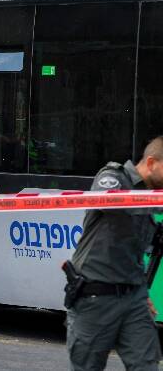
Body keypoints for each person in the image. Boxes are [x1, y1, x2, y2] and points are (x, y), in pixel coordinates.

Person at [64, 136, 163, 371]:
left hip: (133, 298)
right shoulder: (113, 177)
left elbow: (134, 250)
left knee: (147, 365)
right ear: (151, 163)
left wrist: (141, 288)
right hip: (95, 296)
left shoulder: (151, 197)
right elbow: (109, 203)